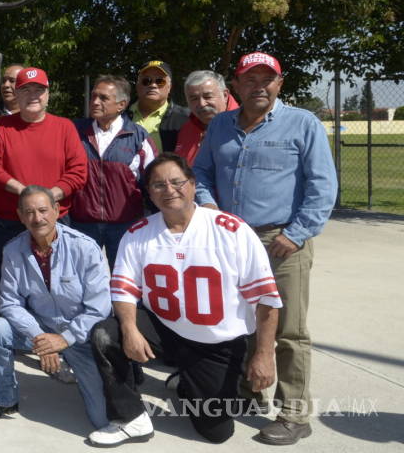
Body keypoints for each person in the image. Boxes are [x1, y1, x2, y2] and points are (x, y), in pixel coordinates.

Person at [193, 52, 337, 445]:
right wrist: (207, 206)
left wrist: (297, 233)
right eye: (249, 79)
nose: (259, 85)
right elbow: (202, 171)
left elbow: (323, 186)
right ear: (235, 86)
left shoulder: (302, 123)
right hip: (233, 240)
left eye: (266, 79)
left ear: (280, 83)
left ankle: (294, 413)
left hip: (282, 242)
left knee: (289, 330)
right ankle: (251, 392)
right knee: (243, 323)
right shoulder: (220, 125)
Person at [88, 154, 282, 445]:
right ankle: (131, 418)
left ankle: (188, 380)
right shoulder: (138, 233)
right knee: (105, 335)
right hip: (166, 329)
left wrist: (264, 354)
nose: (169, 190)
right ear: (149, 193)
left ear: (192, 185)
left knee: (216, 433)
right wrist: (129, 330)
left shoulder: (232, 231)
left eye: (176, 182)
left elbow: (266, 298)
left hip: (216, 344)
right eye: (158, 185)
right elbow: (124, 290)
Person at [0, 185, 110, 430]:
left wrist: (64, 339)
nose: (37, 218)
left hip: (80, 336)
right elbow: (9, 302)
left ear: (57, 210)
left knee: (102, 418)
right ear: (20, 216)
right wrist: (40, 339)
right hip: (40, 329)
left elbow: (99, 308)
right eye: (29, 212)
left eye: (43, 210)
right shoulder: (13, 250)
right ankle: (4, 399)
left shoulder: (84, 247)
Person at [0, 67, 88, 321]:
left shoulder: (64, 127)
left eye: (39, 89)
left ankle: (55, 337)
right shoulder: (2, 127)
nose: (33, 95)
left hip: (55, 222)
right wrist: (24, 192)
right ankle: (2, 335)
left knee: (58, 283)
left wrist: (48, 198)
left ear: (48, 94)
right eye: (25, 90)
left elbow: (78, 171)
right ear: (16, 94)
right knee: (1, 280)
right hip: (9, 221)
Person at [71, 75, 156, 268]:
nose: (95, 102)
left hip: (125, 225)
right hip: (83, 224)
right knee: (84, 282)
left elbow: (152, 182)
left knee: (124, 281)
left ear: (122, 104)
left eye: (103, 98)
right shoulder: (75, 131)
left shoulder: (138, 137)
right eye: (93, 96)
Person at [175, 70, 237, 164]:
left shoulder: (246, 126)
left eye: (208, 96)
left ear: (225, 95)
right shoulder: (185, 129)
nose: (201, 104)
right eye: (194, 99)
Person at [130, 60, 189, 153]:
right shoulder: (119, 115)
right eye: (146, 81)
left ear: (169, 87)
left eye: (160, 81)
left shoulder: (186, 118)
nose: (153, 85)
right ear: (137, 86)